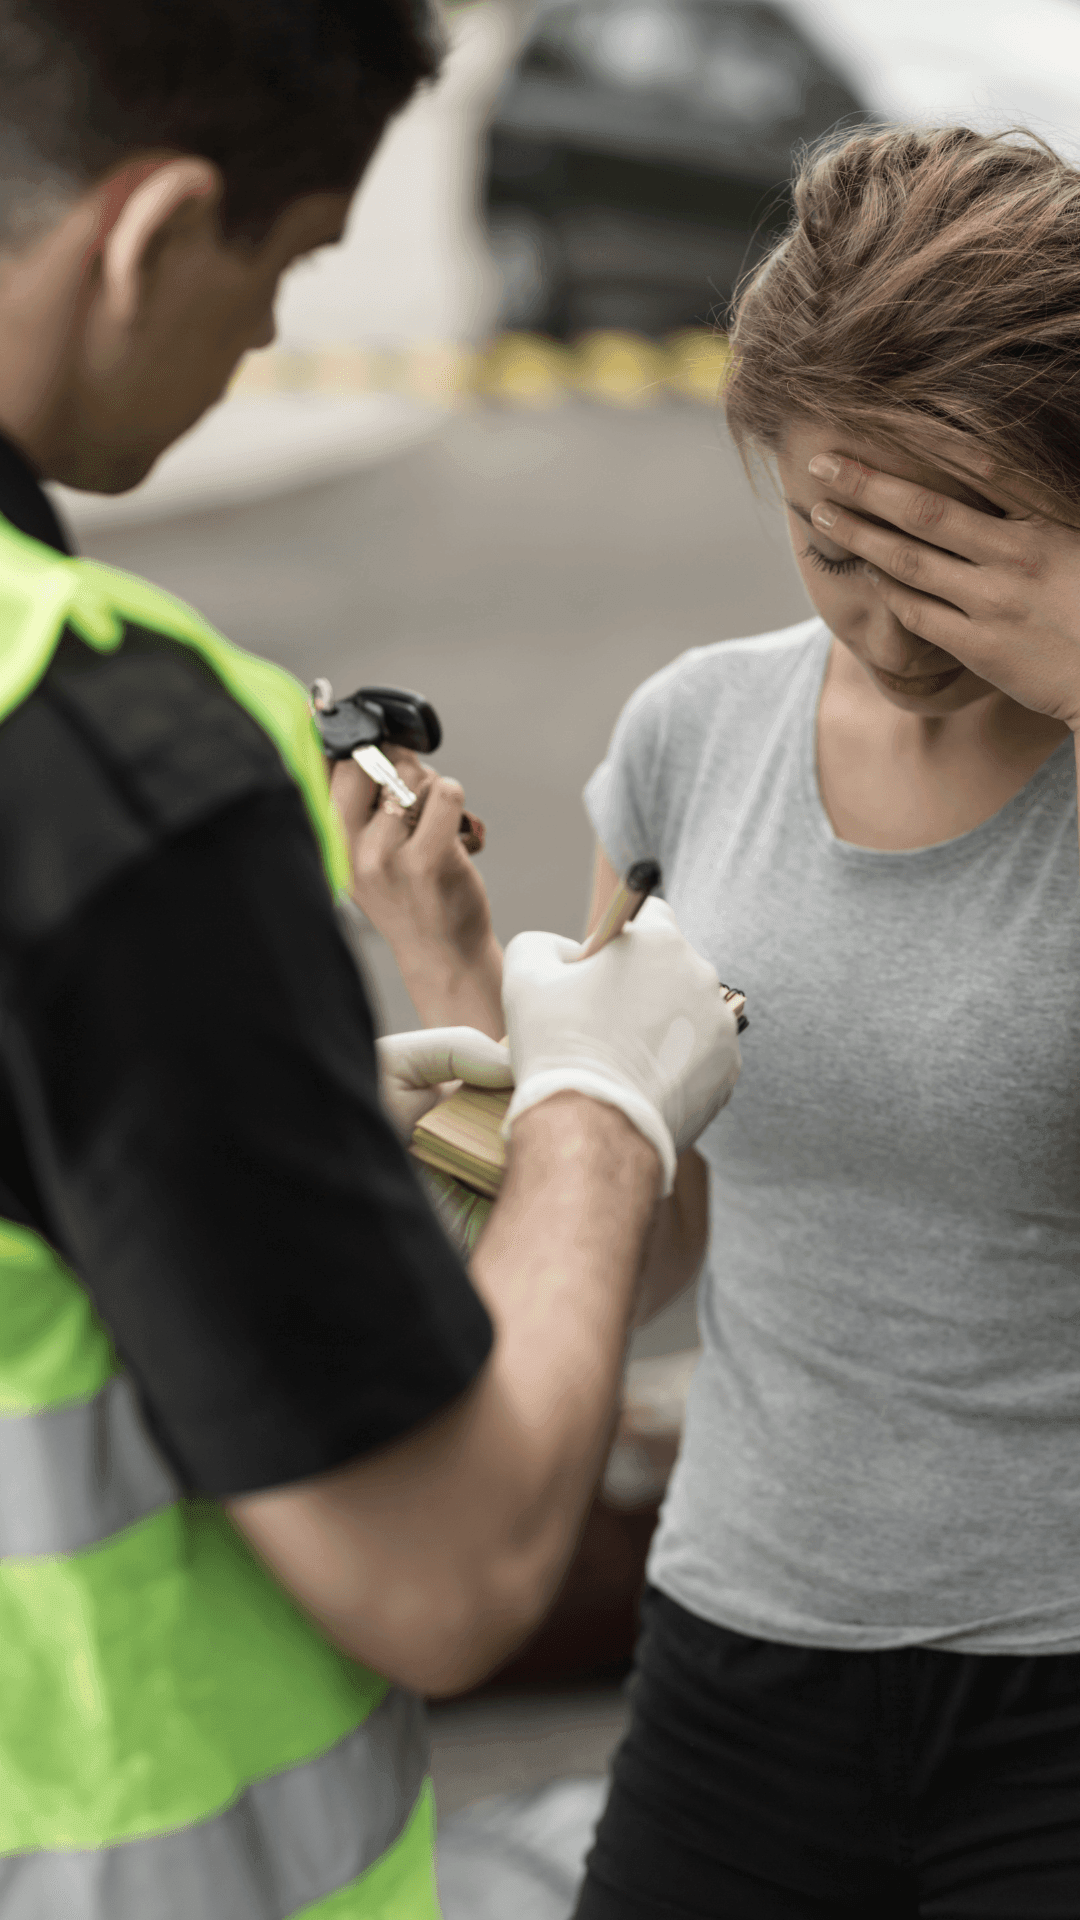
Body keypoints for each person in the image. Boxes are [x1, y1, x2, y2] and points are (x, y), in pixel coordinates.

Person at [0, 4, 746, 1916]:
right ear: (152, 232)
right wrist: (598, 1101)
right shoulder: (98, 769)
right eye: (286, 265)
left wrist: (374, 1072)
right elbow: (453, 1562)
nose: (264, 344)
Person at [357, 125, 1080, 1916]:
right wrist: (467, 983)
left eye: (951, 550)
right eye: (838, 543)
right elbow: (650, 1245)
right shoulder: (695, 735)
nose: (886, 620)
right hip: (738, 1652)